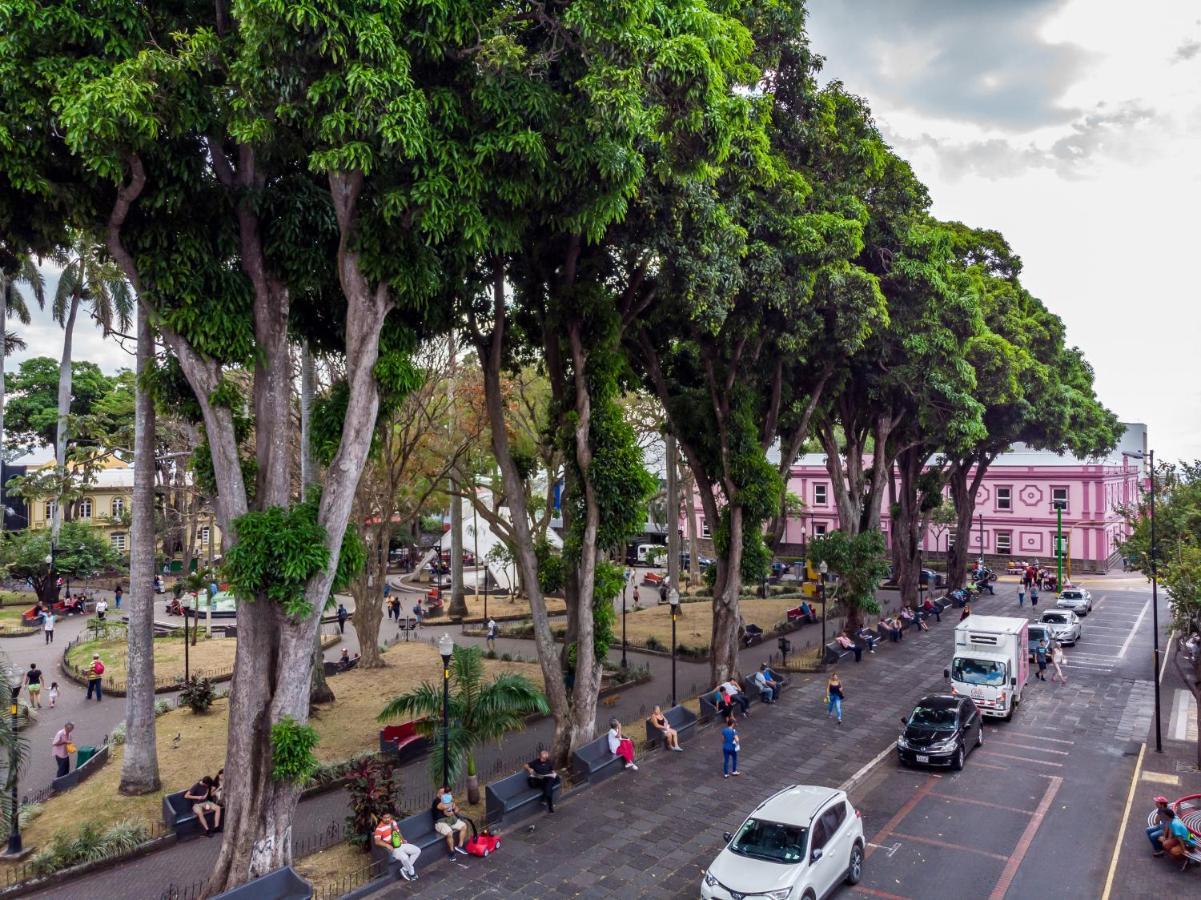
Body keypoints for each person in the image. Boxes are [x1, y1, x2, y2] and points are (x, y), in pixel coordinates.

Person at [374, 812, 419, 881]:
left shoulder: (393, 822)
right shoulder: (379, 828)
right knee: (405, 857)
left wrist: (403, 839)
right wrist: (386, 845)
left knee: (417, 850)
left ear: (390, 817)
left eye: (388, 817)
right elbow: (377, 841)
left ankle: (405, 869)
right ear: (381, 818)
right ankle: (411, 873)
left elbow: (398, 832)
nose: (387, 819)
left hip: (401, 844)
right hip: (394, 848)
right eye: (385, 818)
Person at [434, 788, 470, 859]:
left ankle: (460, 846)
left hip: (451, 820)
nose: (444, 795)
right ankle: (451, 852)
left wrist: (456, 809)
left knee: (464, 826)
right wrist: (451, 802)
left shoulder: (449, 799)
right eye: (442, 793)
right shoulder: (436, 801)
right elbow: (443, 807)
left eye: (445, 793)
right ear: (438, 794)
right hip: (441, 822)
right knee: (449, 833)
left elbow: (455, 808)